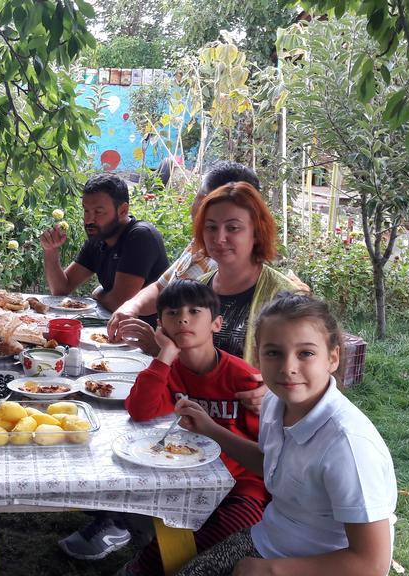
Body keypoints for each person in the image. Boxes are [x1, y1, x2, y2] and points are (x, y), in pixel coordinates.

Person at [174, 292, 397, 576]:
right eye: (273, 353)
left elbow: (371, 565)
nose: (288, 368)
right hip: (268, 540)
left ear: (332, 358)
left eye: (306, 353)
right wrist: (211, 429)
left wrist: (272, 570)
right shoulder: (275, 403)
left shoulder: (348, 446)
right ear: (258, 356)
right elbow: (270, 461)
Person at [62, 280, 269, 575]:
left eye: (195, 311)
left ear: (217, 323)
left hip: (240, 486)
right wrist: (166, 355)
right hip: (182, 475)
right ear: (160, 325)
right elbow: (140, 410)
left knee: (218, 534)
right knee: (162, 522)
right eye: (172, 313)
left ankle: (141, 566)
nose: (183, 318)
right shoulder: (167, 370)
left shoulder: (245, 379)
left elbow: (269, 451)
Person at [107, 161, 262, 349]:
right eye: (212, 226)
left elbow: (210, 362)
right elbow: (161, 287)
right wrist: (132, 306)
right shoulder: (202, 248)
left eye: (233, 227)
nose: (219, 238)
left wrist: (160, 349)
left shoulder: (271, 296)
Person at [41, 173, 169, 314]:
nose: (89, 220)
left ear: (123, 210)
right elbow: (61, 289)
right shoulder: (98, 238)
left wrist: (97, 295)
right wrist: (50, 250)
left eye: (98, 212)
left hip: (147, 333)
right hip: (113, 327)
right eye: (86, 211)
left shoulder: (140, 236)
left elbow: (119, 304)